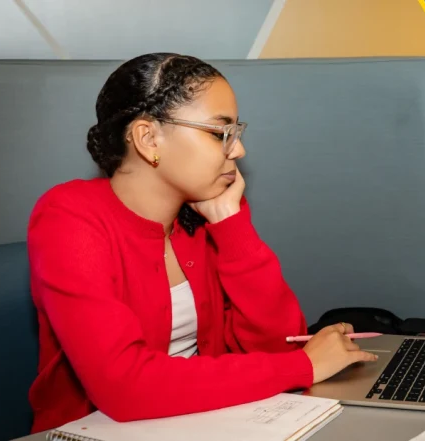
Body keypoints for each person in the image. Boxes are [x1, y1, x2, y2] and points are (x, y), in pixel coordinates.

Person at [25, 53, 378, 433]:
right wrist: (303, 366)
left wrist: (231, 227)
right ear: (148, 138)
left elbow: (279, 346)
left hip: (200, 423)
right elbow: (125, 388)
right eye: (219, 133)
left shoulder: (203, 215)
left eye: (237, 133)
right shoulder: (68, 217)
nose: (238, 150)